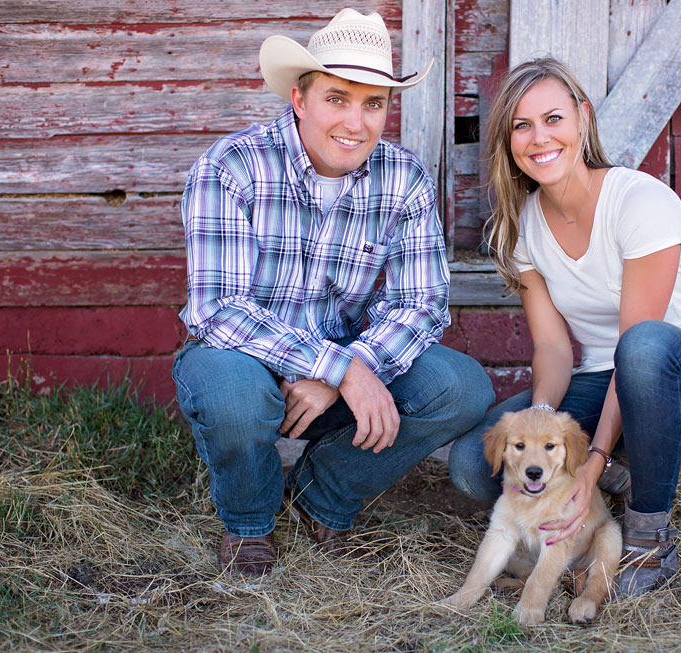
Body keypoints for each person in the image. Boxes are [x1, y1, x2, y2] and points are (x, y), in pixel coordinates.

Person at [173, 8, 494, 577]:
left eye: (374, 103)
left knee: (460, 388)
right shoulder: (232, 167)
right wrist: (339, 371)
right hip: (241, 358)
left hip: (340, 356)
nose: (356, 121)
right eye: (338, 98)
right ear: (300, 99)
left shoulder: (404, 178)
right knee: (231, 396)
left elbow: (422, 303)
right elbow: (217, 309)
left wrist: (352, 366)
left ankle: (321, 496)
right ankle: (250, 522)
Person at [447, 57, 681, 596]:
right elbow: (552, 347)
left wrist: (588, 466)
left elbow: (639, 347)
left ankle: (648, 535)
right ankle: (622, 477)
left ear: (583, 119)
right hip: (605, 379)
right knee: (475, 464)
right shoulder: (521, 228)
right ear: (508, 141)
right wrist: (541, 420)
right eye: (521, 125)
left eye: (553, 118)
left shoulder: (640, 202)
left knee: (641, 346)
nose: (539, 137)